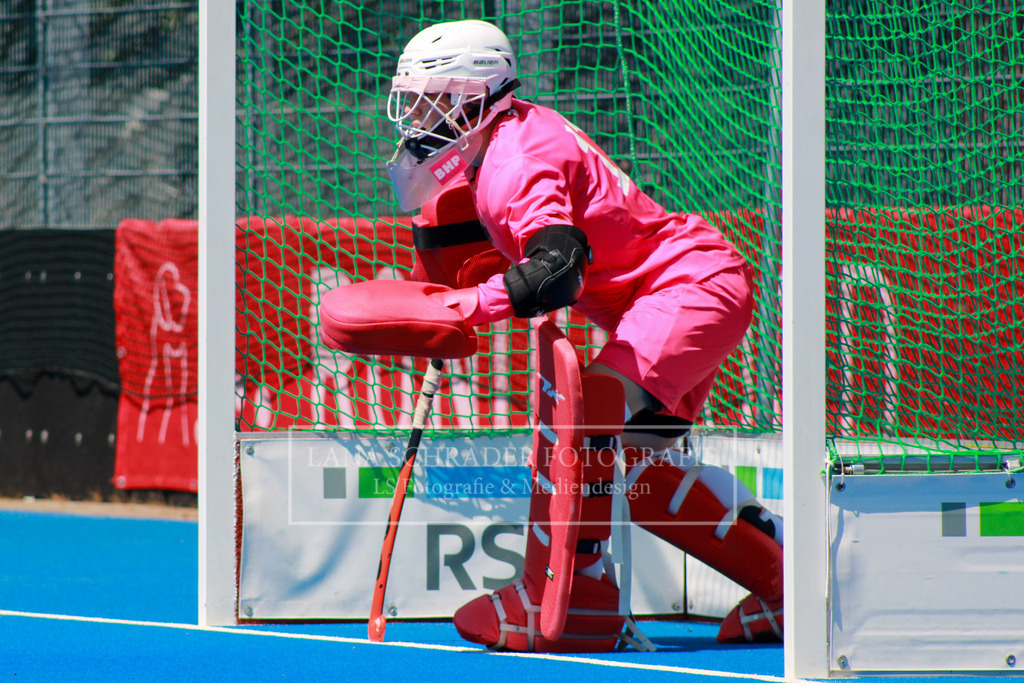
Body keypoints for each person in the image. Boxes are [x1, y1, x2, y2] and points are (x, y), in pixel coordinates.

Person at [384, 18, 784, 651]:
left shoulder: (515, 160)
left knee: (590, 411)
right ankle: (783, 582)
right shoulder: (503, 137)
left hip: (688, 289)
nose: (417, 116)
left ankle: (578, 601)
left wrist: (467, 307)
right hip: (669, 297)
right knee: (638, 472)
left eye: (434, 99)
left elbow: (557, 268)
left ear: (479, 96)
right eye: (412, 101)